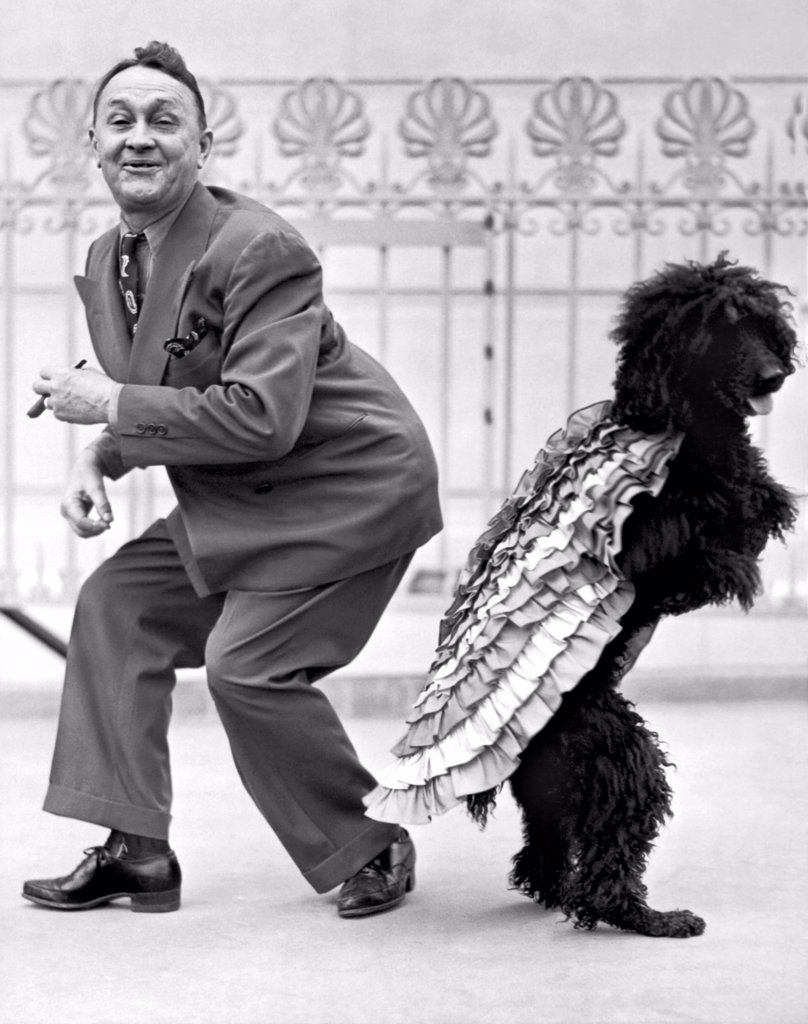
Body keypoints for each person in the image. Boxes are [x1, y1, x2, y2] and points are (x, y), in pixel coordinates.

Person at [23, 41, 441, 917]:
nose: (141, 137)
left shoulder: (262, 248)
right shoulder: (111, 259)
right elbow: (169, 385)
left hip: (348, 490)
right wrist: (102, 453)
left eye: (164, 121)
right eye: (121, 120)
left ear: (202, 147)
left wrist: (108, 409)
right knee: (117, 606)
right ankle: (136, 850)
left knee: (246, 668)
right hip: (243, 496)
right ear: (92, 146)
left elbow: (261, 414)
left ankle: (368, 843)